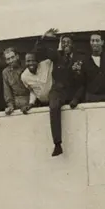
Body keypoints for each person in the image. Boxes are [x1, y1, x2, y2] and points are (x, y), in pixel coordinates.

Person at [35, 28, 80, 157]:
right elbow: (40, 51)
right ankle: (57, 144)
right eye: (63, 42)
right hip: (58, 90)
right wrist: (44, 38)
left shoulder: (78, 57)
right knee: (53, 106)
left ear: (72, 44)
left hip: (72, 90)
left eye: (68, 42)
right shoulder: (57, 56)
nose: (66, 44)